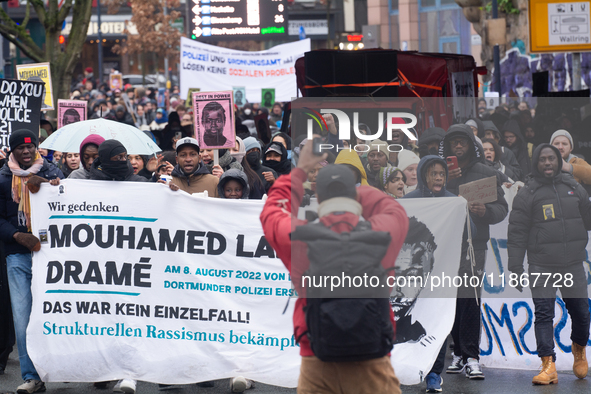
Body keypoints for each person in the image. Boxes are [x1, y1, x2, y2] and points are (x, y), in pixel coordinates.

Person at [260, 138, 409, 394]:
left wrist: (300, 171)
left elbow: (273, 211)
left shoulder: (300, 237)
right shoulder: (383, 231)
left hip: (317, 361)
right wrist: (350, 188)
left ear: (318, 196)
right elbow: (392, 207)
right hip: (372, 360)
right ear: (355, 194)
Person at [508, 143, 591, 385]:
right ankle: (548, 365)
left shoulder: (573, 187)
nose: (547, 163)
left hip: (573, 264)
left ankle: (578, 350)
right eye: (542, 159)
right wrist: (515, 268)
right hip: (541, 265)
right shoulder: (528, 193)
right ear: (536, 163)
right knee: (543, 314)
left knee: (582, 313)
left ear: (558, 161)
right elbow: (517, 233)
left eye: (551, 159)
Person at [440, 124, 508, 380]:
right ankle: (457, 352)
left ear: (472, 145)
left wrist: (486, 213)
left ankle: (471, 356)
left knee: (470, 300)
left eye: (463, 142)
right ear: (447, 147)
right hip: (446, 245)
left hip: (474, 246)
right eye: (454, 142)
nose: (459, 146)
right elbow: (433, 200)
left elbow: (502, 208)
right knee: (451, 301)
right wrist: (450, 178)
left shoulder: (485, 172)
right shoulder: (440, 171)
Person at [0, 129, 63, 393]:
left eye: (30, 147)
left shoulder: (53, 172)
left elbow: (68, 207)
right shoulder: (2, 179)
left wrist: (53, 187)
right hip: (17, 255)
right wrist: (16, 235)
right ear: (11, 151)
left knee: (56, 314)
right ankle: (30, 376)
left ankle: (61, 368)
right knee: (22, 318)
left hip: (50, 256)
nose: (26, 152)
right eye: (20, 148)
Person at [403, 155, 466, 392]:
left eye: (442, 173)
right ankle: (408, 366)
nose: (438, 177)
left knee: (437, 324)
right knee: (414, 322)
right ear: (422, 176)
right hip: (414, 275)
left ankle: (433, 374)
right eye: (433, 173)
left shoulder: (453, 201)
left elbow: (469, 232)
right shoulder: (409, 201)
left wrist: (465, 209)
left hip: (443, 274)